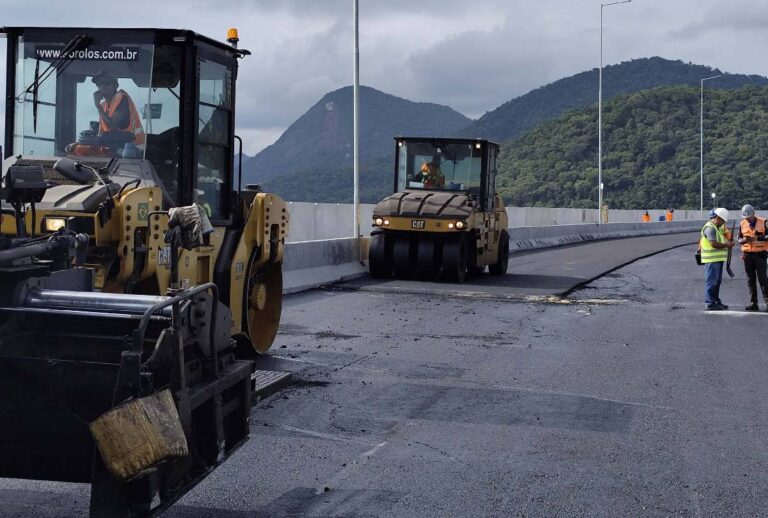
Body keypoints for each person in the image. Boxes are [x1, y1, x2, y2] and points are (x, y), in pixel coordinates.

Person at [700, 208, 734, 311]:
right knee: (712, 282)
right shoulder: (710, 228)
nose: (723, 223)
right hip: (711, 260)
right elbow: (713, 243)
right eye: (723, 220)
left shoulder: (717, 228)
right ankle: (710, 303)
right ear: (718, 218)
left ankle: (715, 301)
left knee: (717, 282)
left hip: (717, 260)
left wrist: (727, 243)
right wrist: (726, 245)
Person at [737, 204, 768, 311]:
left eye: (749, 217)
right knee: (750, 280)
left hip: (760, 255)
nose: (747, 219)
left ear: (753, 213)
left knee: (763, 279)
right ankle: (753, 303)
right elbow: (739, 239)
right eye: (745, 217)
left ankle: (767, 301)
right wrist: (745, 240)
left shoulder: (764, 222)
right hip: (747, 255)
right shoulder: (742, 223)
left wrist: (758, 238)